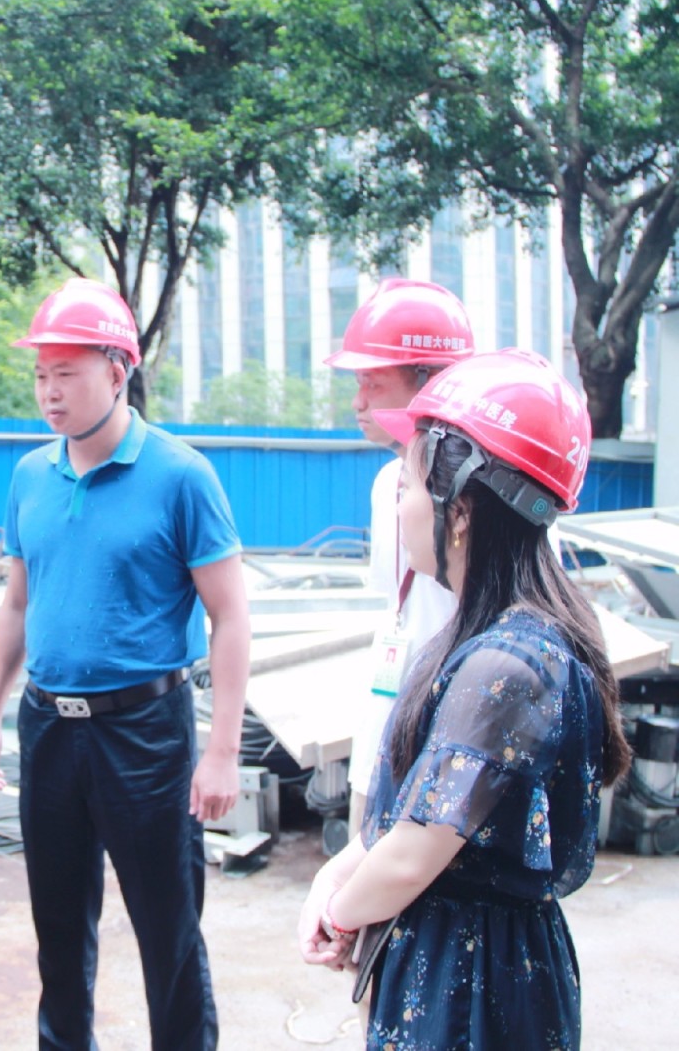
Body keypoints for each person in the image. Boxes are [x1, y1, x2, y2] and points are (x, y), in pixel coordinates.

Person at [298, 349, 632, 1049]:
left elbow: (415, 852)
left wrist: (341, 911)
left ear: (461, 512)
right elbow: (415, 809)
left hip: (473, 983)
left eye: (408, 488)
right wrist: (338, 874)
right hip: (456, 954)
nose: (399, 508)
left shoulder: (508, 663)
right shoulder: (484, 636)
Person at [0, 278, 251, 1051]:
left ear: (118, 371)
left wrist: (222, 752)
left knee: (169, 934)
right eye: (41, 375)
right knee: (58, 934)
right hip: (49, 728)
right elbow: (18, 605)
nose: (49, 392)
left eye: (67, 373)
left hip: (145, 734)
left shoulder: (181, 476)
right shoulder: (30, 476)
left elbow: (230, 616)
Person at [323, 279, 473, 836]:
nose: (358, 402)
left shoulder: (489, 495)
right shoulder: (387, 483)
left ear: (429, 383)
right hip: (383, 734)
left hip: (451, 753)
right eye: (357, 384)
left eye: (373, 382)